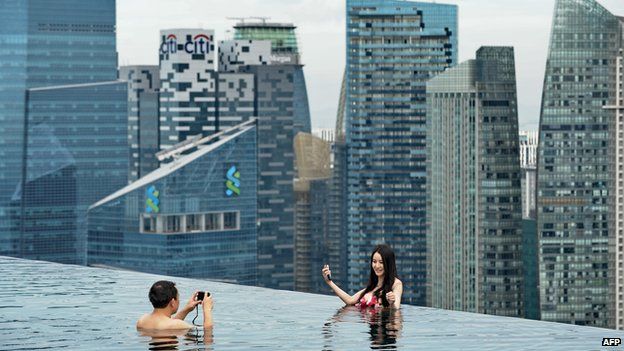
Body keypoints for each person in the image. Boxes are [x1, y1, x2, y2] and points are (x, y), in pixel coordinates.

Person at [322, 244, 402, 308]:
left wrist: (392, 302)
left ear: (388, 263)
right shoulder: (373, 286)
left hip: (384, 325)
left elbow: (396, 307)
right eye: (374, 261)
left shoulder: (396, 283)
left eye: (381, 262)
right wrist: (329, 282)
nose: (377, 266)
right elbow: (350, 300)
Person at [136, 280, 213, 331]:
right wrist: (207, 310)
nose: (179, 301)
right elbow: (207, 331)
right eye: (178, 298)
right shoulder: (178, 325)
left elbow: (168, 323)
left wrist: (186, 310)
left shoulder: (142, 321)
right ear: (172, 302)